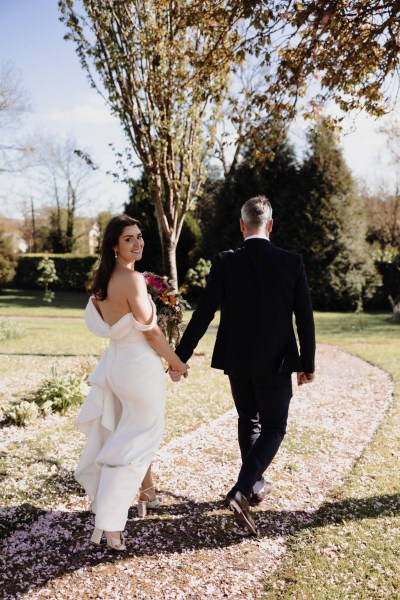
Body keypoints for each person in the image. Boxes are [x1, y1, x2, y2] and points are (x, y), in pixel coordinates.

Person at [171, 196, 315, 536]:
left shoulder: (225, 261)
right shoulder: (291, 262)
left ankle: (252, 485)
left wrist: (181, 355)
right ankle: (243, 488)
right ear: (270, 224)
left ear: (241, 225)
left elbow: (204, 312)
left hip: (237, 360)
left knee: (248, 419)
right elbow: (304, 319)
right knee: (275, 426)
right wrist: (306, 362)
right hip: (277, 362)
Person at [75, 214, 188, 550]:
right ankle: (110, 525)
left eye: (139, 237)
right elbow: (151, 332)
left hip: (116, 367)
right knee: (137, 444)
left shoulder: (101, 284)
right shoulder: (133, 280)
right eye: (129, 239)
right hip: (139, 369)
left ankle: (111, 517)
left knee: (127, 438)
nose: (137, 243)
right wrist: (177, 362)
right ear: (114, 245)